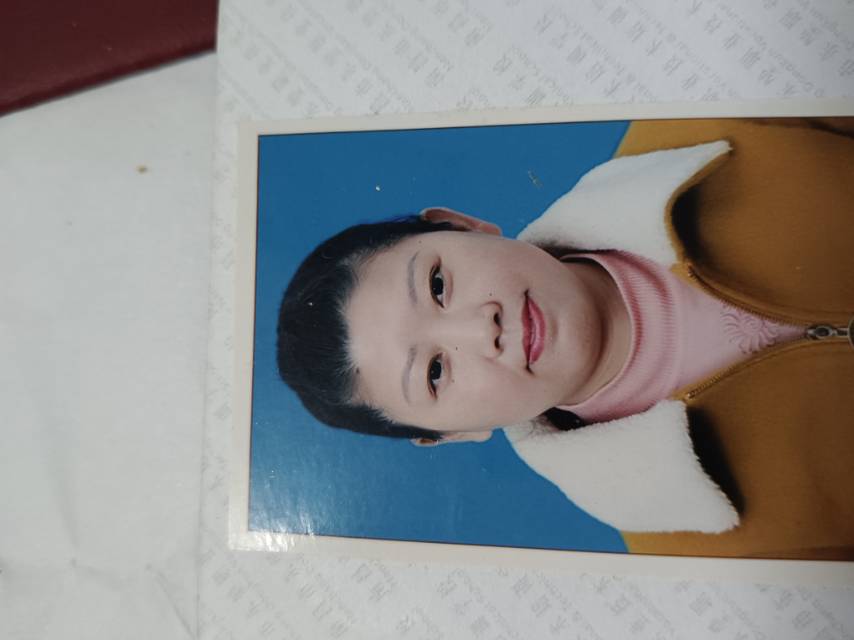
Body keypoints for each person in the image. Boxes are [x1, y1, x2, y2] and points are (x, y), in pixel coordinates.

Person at [277, 117, 854, 560]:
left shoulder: (688, 131)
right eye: (434, 372)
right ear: (454, 434)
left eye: (437, 284)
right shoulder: (686, 545)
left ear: (464, 225)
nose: (483, 328)